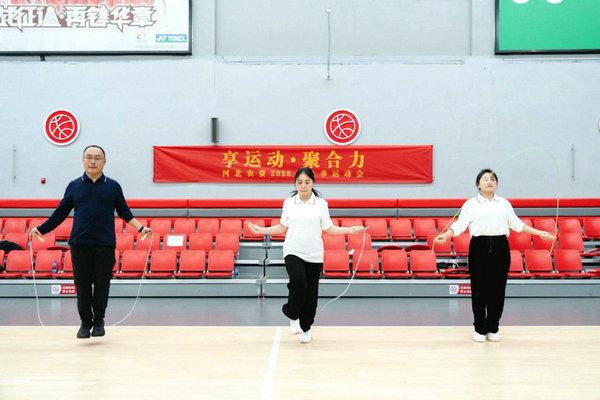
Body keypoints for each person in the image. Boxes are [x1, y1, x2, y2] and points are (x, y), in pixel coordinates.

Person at [30, 145, 152, 339]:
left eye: (97, 158)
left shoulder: (113, 186)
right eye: (89, 157)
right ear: (83, 160)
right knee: (83, 285)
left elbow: (124, 212)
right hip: (79, 244)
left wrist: (141, 228)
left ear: (104, 162)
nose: (93, 161)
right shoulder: (74, 185)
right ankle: (85, 323)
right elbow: (60, 214)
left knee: (102, 284)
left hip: (105, 244)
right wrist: (41, 229)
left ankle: (99, 321)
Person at [435, 169, 555, 342]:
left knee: (497, 289)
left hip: (500, 247)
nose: (489, 181)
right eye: (485, 179)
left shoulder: (504, 203)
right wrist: (446, 235)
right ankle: (479, 328)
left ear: (496, 184)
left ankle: (493, 326)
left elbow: (517, 224)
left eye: (492, 179)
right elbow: (460, 225)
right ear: (478, 184)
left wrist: (539, 233)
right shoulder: (470, 204)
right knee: (479, 289)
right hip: (479, 247)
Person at [246, 167, 364, 344]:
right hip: (293, 250)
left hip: (315, 254)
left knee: (311, 294)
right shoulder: (289, 203)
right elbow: (282, 227)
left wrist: (350, 230)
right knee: (298, 282)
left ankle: (306, 329)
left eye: (307, 182)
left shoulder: (321, 204)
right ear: (295, 184)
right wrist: (261, 230)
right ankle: (292, 313)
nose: (303, 186)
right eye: (300, 182)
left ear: (313, 183)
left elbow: (329, 228)